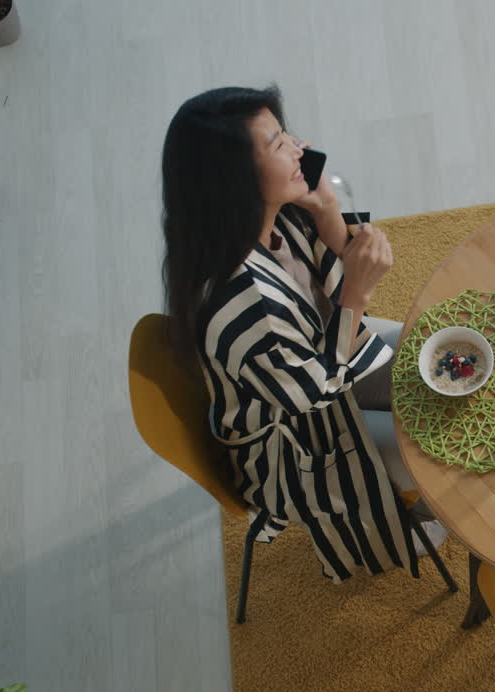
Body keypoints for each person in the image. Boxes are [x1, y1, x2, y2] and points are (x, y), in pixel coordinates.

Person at [160, 85, 443, 582]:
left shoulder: (270, 218)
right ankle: (408, 516)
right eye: (277, 144)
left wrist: (326, 209)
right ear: (234, 180)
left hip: (319, 355)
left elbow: (327, 285)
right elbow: (310, 392)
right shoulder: (243, 302)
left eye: (285, 132)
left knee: (431, 359)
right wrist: (355, 295)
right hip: (290, 439)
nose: (299, 147)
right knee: (428, 447)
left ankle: (412, 481)